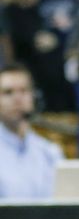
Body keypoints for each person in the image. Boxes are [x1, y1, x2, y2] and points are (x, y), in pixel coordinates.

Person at [0, 64, 61, 200]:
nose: (18, 99)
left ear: (34, 96)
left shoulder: (49, 152)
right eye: (8, 92)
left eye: (24, 91)